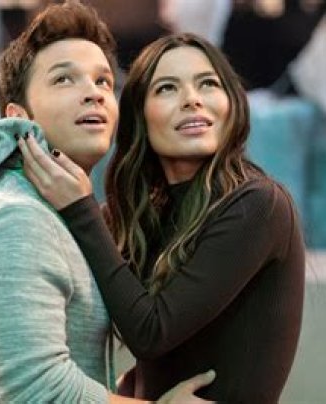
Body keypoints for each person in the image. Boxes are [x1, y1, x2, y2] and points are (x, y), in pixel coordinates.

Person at [0, 4, 214, 403]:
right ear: (18, 116)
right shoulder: (16, 219)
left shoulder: (52, 209)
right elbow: (35, 391)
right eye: (64, 79)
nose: (94, 92)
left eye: (103, 80)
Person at [19, 32, 306, 403]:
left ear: (231, 103)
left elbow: (151, 333)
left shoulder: (258, 206)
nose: (192, 99)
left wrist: (79, 208)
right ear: (140, 116)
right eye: (167, 88)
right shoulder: (144, 216)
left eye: (208, 83)